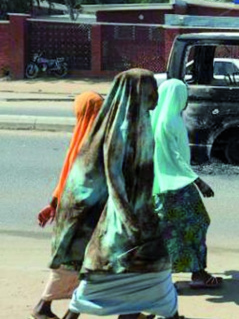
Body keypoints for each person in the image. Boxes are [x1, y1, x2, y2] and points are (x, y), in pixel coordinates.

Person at [49, 69, 182, 319]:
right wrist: (127, 217)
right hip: (123, 217)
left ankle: (137, 314)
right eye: (150, 88)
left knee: (146, 268)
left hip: (140, 211)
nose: (155, 94)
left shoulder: (142, 120)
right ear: (137, 92)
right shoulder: (122, 128)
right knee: (114, 268)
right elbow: (114, 177)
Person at [31, 91, 104, 319]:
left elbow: (65, 180)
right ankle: (45, 308)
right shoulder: (92, 143)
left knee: (83, 266)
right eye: (99, 109)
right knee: (79, 266)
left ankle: (60, 312)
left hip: (74, 215)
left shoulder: (79, 139)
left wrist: (53, 203)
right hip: (84, 217)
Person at [152, 79, 222, 289]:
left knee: (173, 230)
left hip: (168, 183)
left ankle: (185, 273)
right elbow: (174, 157)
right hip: (175, 185)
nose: (187, 99)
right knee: (196, 223)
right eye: (184, 94)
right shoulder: (167, 121)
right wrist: (198, 181)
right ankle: (195, 273)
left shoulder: (166, 117)